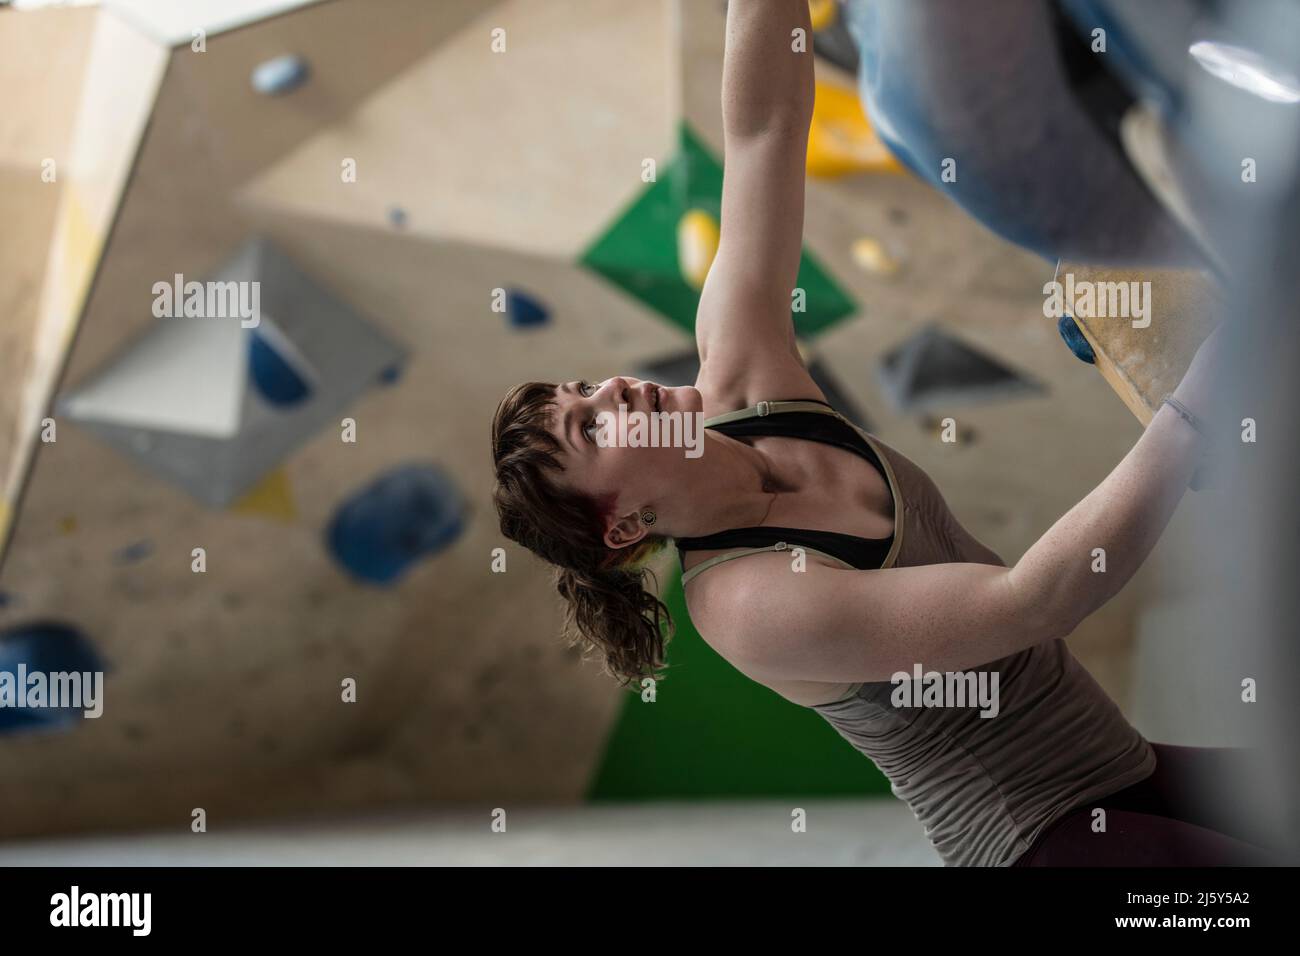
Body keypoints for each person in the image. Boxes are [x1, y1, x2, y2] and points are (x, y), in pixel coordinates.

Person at [490, 0, 1271, 866]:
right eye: (592, 425)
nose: (617, 388)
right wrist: (1203, 394)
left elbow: (764, 127)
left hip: (1116, 761)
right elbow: (1036, 600)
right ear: (626, 525)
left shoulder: (745, 371)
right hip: (1038, 835)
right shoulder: (748, 604)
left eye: (587, 386)